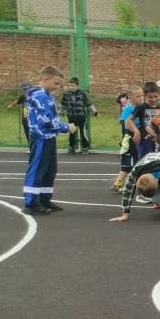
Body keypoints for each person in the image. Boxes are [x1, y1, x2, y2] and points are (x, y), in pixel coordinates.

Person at [22, 66, 77, 215]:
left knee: (49, 169)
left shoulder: (47, 95)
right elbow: (46, 120)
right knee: (38, 168)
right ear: (45, 79)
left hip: (49, 137)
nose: (58, 87)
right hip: (40, 137)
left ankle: (44, 199)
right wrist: (66, 127)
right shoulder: (40, 96)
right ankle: (31, 203)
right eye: (56, 83)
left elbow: (52, 117)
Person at [108, 138, 160, 225]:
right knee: (158, 201)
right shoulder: (135, 173)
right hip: (149, 165)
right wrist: (125, 214)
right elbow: (127, 192)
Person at [112, 85, 144, 192]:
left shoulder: (143, 107)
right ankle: (118, 183)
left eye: (142, 95)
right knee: (128, 162)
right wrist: (131, 134)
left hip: (141, 138)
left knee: (138, 161)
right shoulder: (128, 109)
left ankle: (137, 183)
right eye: (138, 96)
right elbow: (125, 124)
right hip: (130, 138)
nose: (141, 98)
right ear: (130, 98)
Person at [129, 82, 160, 162]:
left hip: (156, 140)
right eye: (150, 97)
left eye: (156, 96)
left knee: (153, 162)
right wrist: (136, 131)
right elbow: (129, 120)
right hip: (144, 140)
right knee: (144, 162)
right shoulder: (141, 107)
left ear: (159, 94)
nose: (153, 99)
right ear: (145, 96)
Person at [61, 77, 98, 155]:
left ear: (77, 86)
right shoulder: (66, 95)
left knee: (83, 132)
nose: (71, 87)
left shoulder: (82, 93)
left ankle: (85, 147)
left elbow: (89, 104)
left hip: (81, 117)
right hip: (71, 117)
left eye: (73, 86)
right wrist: (60, 113)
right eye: (69, 85)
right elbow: (63, 105)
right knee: (71, 133)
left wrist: (95, 112)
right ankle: (71, 147)